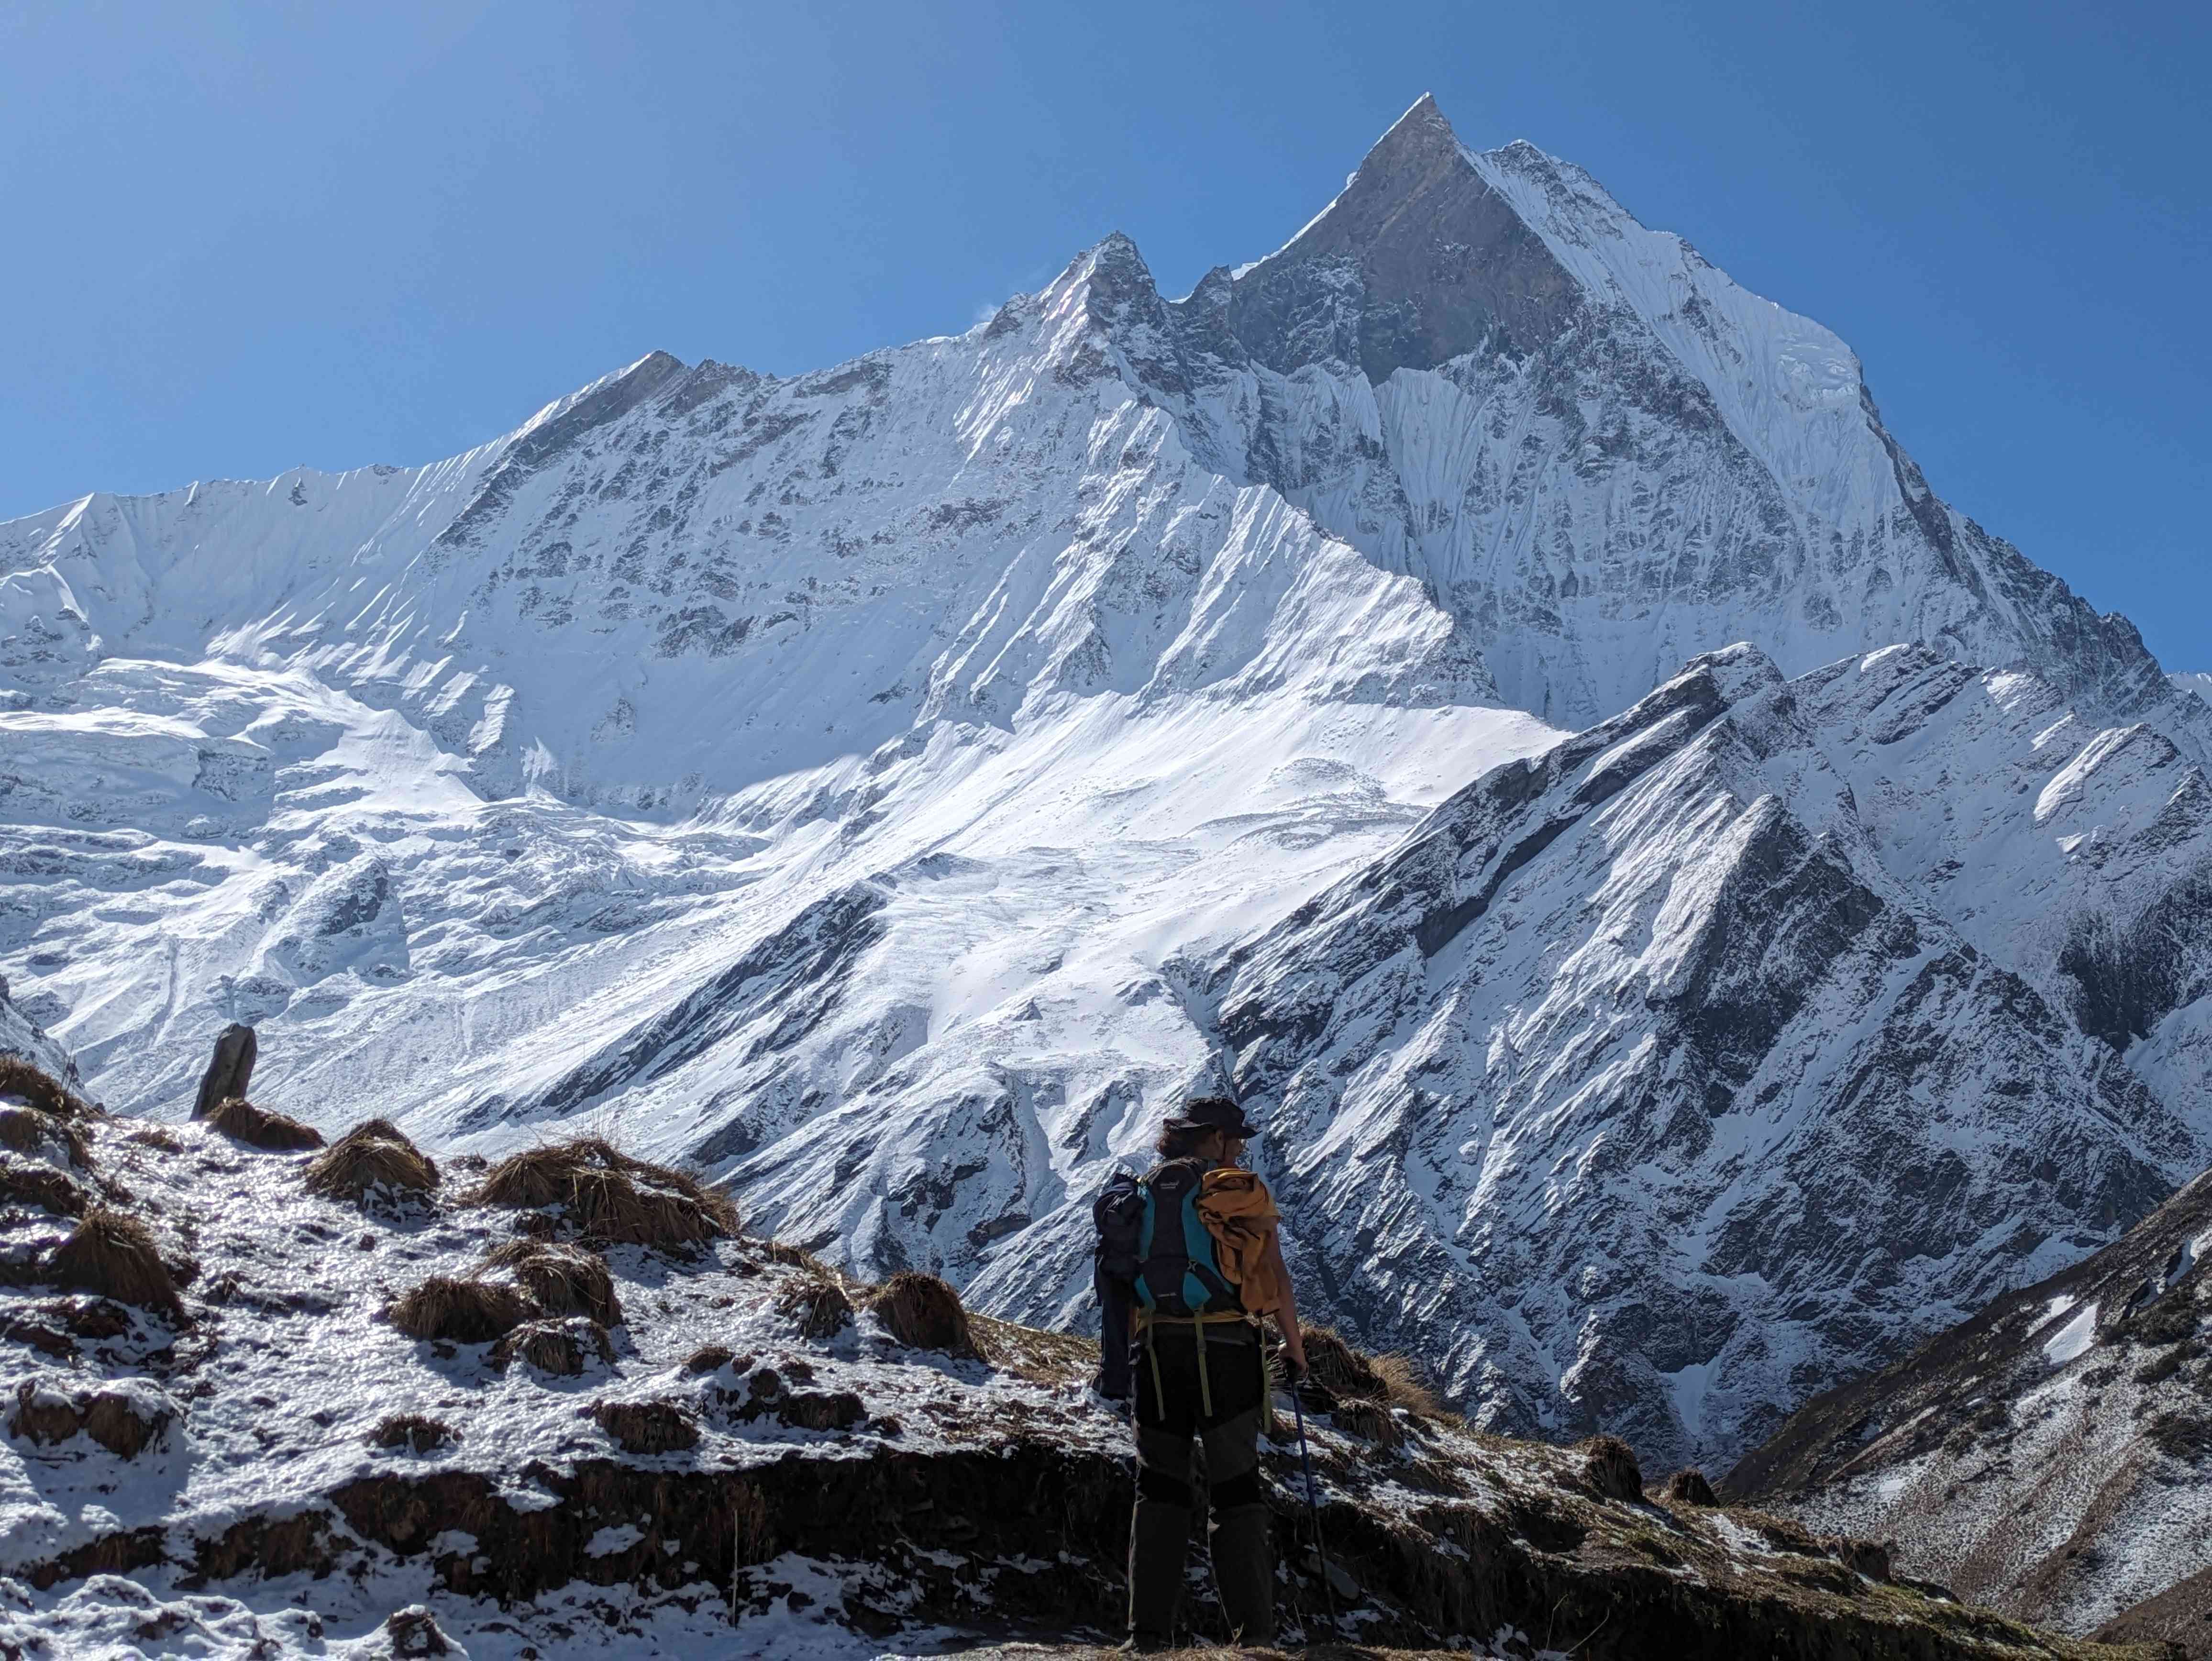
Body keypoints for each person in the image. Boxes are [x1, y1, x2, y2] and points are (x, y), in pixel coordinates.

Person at [1099, 1096, 1308, 1651]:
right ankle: (1253, 1636)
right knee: (1235, 1489)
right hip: (1227, 1351)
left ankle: (1146, 1636)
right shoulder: (1232, 1192)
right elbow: (1275, 1274)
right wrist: (1294, 1347)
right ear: (1212, 1137)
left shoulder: (1141, 1191)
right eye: (1235, 1137)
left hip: (1158, 1353)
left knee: (1159, 1488)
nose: (1241, 1147)